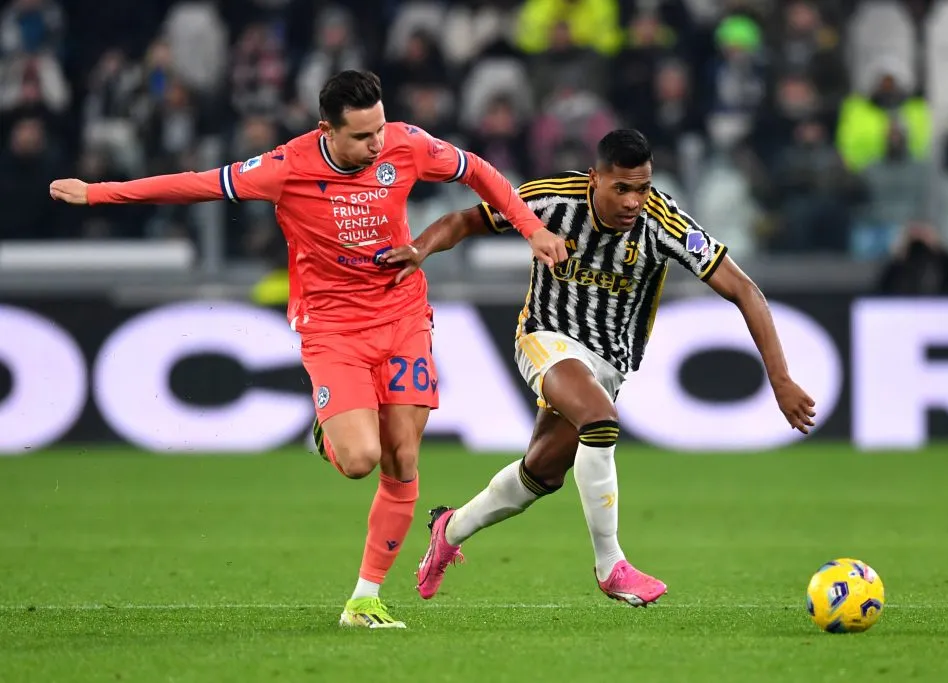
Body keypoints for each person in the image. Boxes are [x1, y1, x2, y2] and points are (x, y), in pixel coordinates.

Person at [49, 69, 567, 629]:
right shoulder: (285, 167)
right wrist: (99, 193)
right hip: (332, 329)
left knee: (403, 458)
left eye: (379, 129)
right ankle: (329, 433)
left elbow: (478, 171)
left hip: (403, 317)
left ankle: (364, 600)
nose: (377, 144)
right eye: (362, 136)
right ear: (328, 130)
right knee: (360, 460)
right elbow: (196, 183)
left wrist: (530, 228)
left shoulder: (406, 143)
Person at [382, 129, 816, 606]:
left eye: (642, 188)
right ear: (595, 179)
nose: (633, 201)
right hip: (545, 338)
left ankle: (449, 530)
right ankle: (612, 566)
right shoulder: (550, 200)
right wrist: (420, 249)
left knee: (541, 474)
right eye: (621, 188)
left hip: (609, 363)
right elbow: (465, 221)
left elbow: (744, 290)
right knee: (600, 419)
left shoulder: (664, 223)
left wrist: (780, 378)